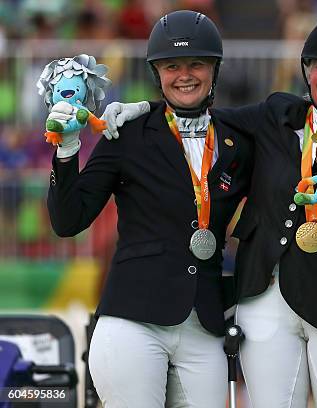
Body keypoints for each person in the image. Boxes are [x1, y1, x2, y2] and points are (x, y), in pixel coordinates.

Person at [104, 16, 317, 408]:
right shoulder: (276, 115)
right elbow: (204, 113)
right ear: (307, 71)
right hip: (265, 300)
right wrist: (143, 109)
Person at [46, 10, 253, 407]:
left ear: (215, 70)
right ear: (156, 74)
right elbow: (68, 219)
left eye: (197, 64)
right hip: (133, 319)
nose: (185, 75)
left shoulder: (237, 140)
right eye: (172, 66)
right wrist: (67, 149)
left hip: (205, 323)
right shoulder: (127, 133)